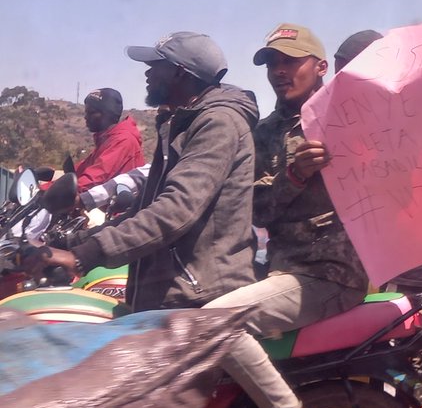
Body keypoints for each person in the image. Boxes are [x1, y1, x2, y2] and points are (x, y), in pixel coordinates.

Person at [211, 22, 422, 408]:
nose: (280, 72)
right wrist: (294, 177)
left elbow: (416, 151)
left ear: (321, 67)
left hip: (332, 274)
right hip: (282, 270)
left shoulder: (353, 115)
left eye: (291, 61)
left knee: (219, 321)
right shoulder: (264, 134)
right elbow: (255, 206)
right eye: (273, 64)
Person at [40, 32, 258, 310]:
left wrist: (82, 257)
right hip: (169, 292)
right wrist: (72, 243)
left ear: (180, 72)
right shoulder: (178, 124)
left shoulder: (218, 123)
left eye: (156, 64)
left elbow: (176, 210)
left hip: (201, 296)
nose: (147, 72)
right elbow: (143, 212)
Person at [73, 88, 146, 192]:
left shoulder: (122, 140)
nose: (85, 117)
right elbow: (80, 170)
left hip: (120, 207)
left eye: (91, 112)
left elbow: (94, 178)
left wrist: (58, 194)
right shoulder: (107, 139)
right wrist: (49, 186)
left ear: (107, 114)